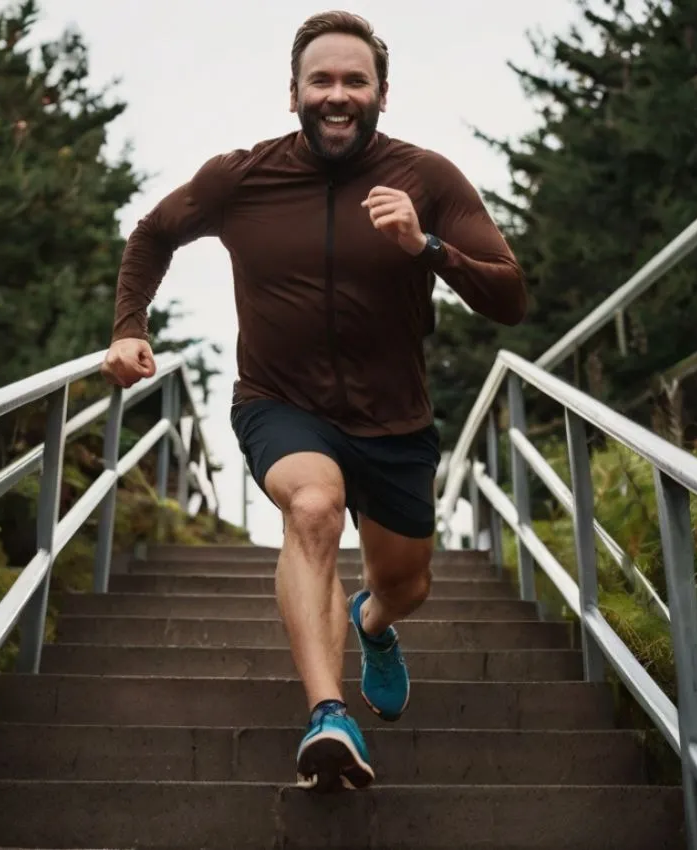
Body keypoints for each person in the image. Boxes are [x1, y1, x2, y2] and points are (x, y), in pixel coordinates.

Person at [100, 10, 527, 793]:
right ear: (293, 92)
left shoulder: (426, 178)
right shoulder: (241, 177)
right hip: (279, 400)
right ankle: (328, 715)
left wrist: (427, 247)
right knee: (312, 509)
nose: (337, 95)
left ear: (382, 94)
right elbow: (153, 234)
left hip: (395, 418)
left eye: (354, 81)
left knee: (409, 585)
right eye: (321, 80)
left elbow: (511, 296)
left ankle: (372, 624)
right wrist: (130, 327)